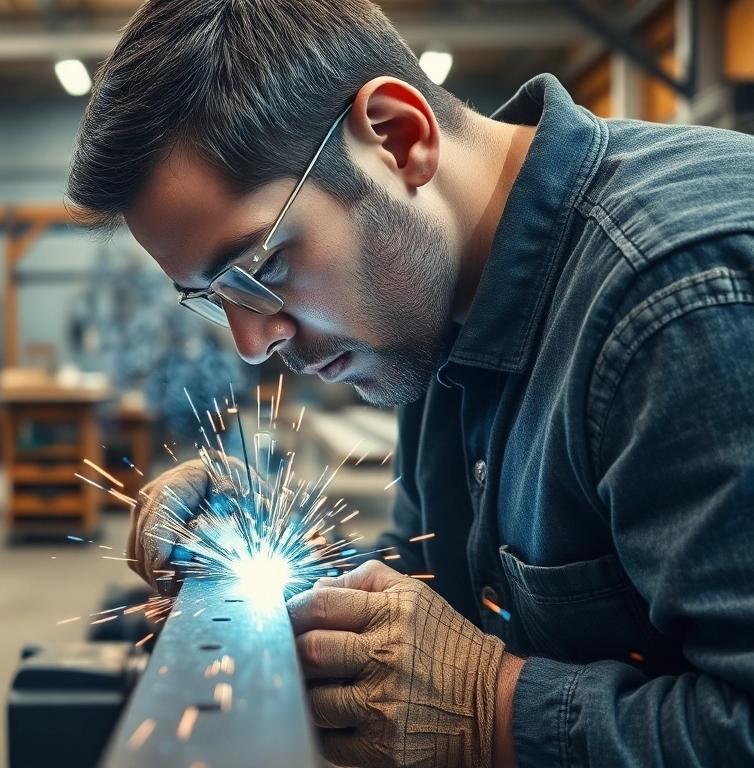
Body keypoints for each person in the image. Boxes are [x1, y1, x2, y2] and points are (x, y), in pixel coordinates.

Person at [65, 1, 754, 767]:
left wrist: (491, 710)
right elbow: (439, 586)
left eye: (260, 271)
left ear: (398, 137)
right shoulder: (436, 311)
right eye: (215, 297)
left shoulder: (679, 299)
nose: (252, 342)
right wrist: (248, 552)